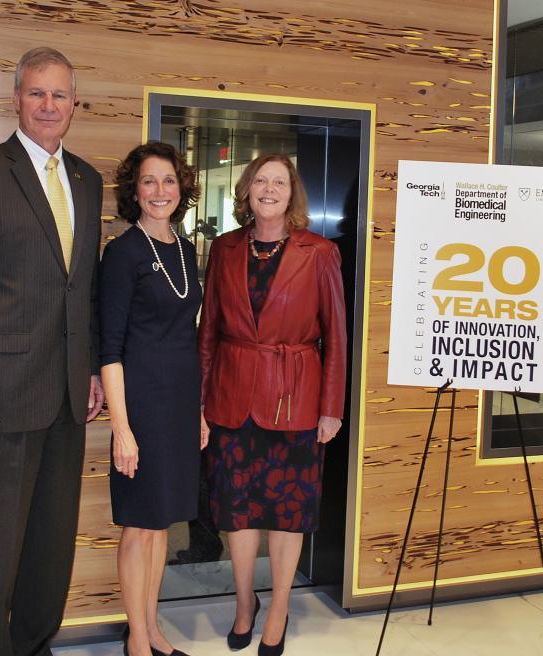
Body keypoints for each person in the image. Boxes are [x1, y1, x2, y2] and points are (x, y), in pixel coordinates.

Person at [0, 47, 104, 656]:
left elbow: (79, 288)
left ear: (74, 104)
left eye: (60, 95)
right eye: (37, 93)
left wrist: (88, 374)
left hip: (65, 396)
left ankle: (32, 644)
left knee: (51, 543)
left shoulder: (87, 179)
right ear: (16, 100)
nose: (49, 105)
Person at [199, 153, 347, 656]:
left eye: (278, 182)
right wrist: (200, 403)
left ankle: (279, 606)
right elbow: (209, 332)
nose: (268, 189)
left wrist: (331, 407)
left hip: (296, 400)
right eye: (260, 180)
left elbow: (337, 338)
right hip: (232, 396)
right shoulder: (223, 249)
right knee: (237, 511)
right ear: (247, 189)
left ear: (292, 192)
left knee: (287, 512)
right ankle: (245, 602)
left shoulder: (320, 252)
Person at [99, 142, 205, 656]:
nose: (160, 191)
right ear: (134, 191)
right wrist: (121, 427)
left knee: (162, 525)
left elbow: (189, 335)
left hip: (181, 404)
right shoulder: (122, 253)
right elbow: (110, 349)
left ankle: (154, 628)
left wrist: (200, 412)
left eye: (168, 180)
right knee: (140, 526)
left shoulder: (185, 251)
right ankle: (136, 638)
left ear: (181, 188)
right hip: (139, 405)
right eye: (149, 181)